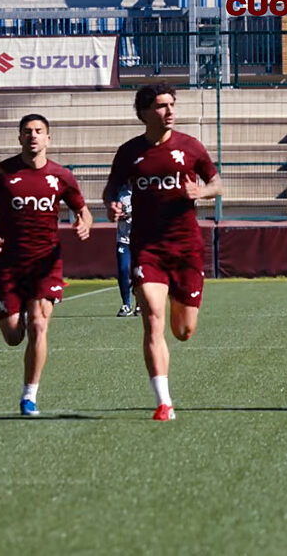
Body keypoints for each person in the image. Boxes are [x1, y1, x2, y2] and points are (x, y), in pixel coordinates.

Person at [103, 84, 223, 421]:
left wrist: (201, 190)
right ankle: (164, 402)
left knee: (183, 331)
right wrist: (111, 204)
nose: (169, 111)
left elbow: (217, 183)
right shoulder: (129, 152)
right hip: (147, 248)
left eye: (172, 104)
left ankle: (176, 299)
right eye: (160, 106)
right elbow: (112, 187)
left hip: (186, 249)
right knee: (152, 319)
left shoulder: (190, 147)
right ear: (143, 113)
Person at [0, 114, 93, 416]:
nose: (33, 136)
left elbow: (84, 211)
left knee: (39, 324)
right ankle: (19, 315)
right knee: (14, 336)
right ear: (19, 137)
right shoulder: (1, 172)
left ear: (48, 138)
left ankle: (29, 397)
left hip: (46, 263)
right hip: (9, 265)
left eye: (39, 131)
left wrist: (85, 224)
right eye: (27, 131)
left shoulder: (62, 176)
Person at [113, 182, 138, 317]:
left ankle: (140, 303)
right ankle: (126, 304)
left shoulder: (144, 189)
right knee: (123, 269)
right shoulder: (120, 192)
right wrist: (116, 214)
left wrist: (131, 214)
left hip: (140, 239)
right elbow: (112, 211)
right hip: (123, 239)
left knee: (139, 272)